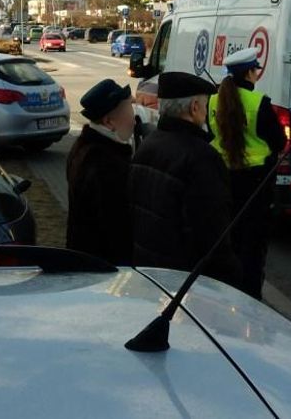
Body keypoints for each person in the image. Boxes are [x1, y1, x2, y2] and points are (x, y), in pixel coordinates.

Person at [128, 71, 242, 287]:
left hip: (148, 272)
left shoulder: (148, 145)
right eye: (206, 105)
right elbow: (212, 232)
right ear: (194, 108)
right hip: (186, 282)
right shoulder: (202, 158)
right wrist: (231, 275)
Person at [208, 47, 288, 300]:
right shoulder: (259, 102)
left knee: (228, 240)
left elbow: (211, 137)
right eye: (256, 70)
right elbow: (278, 142)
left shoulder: (213, 100)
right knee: (253, 247)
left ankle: (228, 293)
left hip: (223, 179)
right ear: (250, 73)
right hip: (255, 183)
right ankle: (250, 298)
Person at [65, 79, 137, 265]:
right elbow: (116, 229)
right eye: (129, 110)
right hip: (102, 267)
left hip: (84, 258)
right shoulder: (104, 164)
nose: (134, 119)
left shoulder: (84, 147)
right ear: (109, 121)